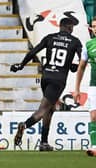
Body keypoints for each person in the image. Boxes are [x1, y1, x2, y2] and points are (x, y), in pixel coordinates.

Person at [10, 18, 82, 151]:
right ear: (70, 27)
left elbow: (33, 51)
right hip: (58, 80)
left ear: (60, 26)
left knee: (50, 109)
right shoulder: (75, 41)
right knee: (43, 109)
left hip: (46, 76)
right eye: (72, 27)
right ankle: (24, 126)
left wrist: (21, 65)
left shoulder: (50, 38)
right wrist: (74, 66)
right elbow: (81, 60)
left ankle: (44, 143)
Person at [74, 17, 96, 156]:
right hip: (94, 86)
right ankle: (95, 146)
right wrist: (77, 88)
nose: (95, 28)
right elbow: (81, 67)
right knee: (94, 116)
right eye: (94, 26)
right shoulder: (88, 45)